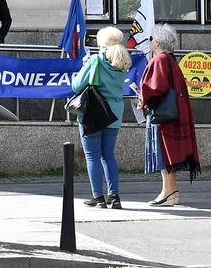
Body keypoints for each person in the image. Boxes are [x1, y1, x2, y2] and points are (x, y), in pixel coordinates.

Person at [139, 23, 201, 206]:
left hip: (162, 117)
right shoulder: (171, 60)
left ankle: (167, 192)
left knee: (163, 154)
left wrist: (142, 97)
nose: (150, 42)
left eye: (151, 39)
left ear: (157, 42)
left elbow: (155, 87)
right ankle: (172, 191)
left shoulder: (159, 60)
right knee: (168, 154)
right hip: (174, 114)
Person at [71, 26, 132, 209]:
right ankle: (114, 197)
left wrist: (84, 65)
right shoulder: (122, 60)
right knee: (108, 155)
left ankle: (98, 197)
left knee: (92, 156)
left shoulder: (95, 60)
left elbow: (76, 85)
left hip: (93, 113)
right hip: (114, 113)